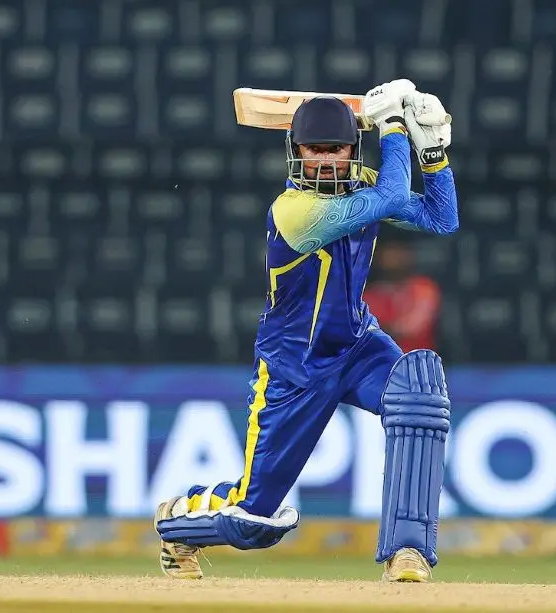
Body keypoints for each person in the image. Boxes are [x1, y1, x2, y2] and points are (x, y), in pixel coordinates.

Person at [153, 79, 459, 583]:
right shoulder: (292, 211)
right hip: (295, 366)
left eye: (336, 148)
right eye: (314, 149)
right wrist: (395, 128)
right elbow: (389, 197)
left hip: (358, 346)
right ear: (295, 152)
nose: (325, 159)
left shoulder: (364, 183)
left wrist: (432, 154)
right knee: (254, 521)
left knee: (419, 396)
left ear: (351, 149)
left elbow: (441, 219)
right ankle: (179, 521)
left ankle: (408, 551)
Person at [363, 237, 442, 352]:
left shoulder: (424, 288)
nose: (395, 258)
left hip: (418, 358)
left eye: (400, 253)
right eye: (390, 254)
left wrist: (381, 330)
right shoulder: (370, 295)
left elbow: (413, 327)